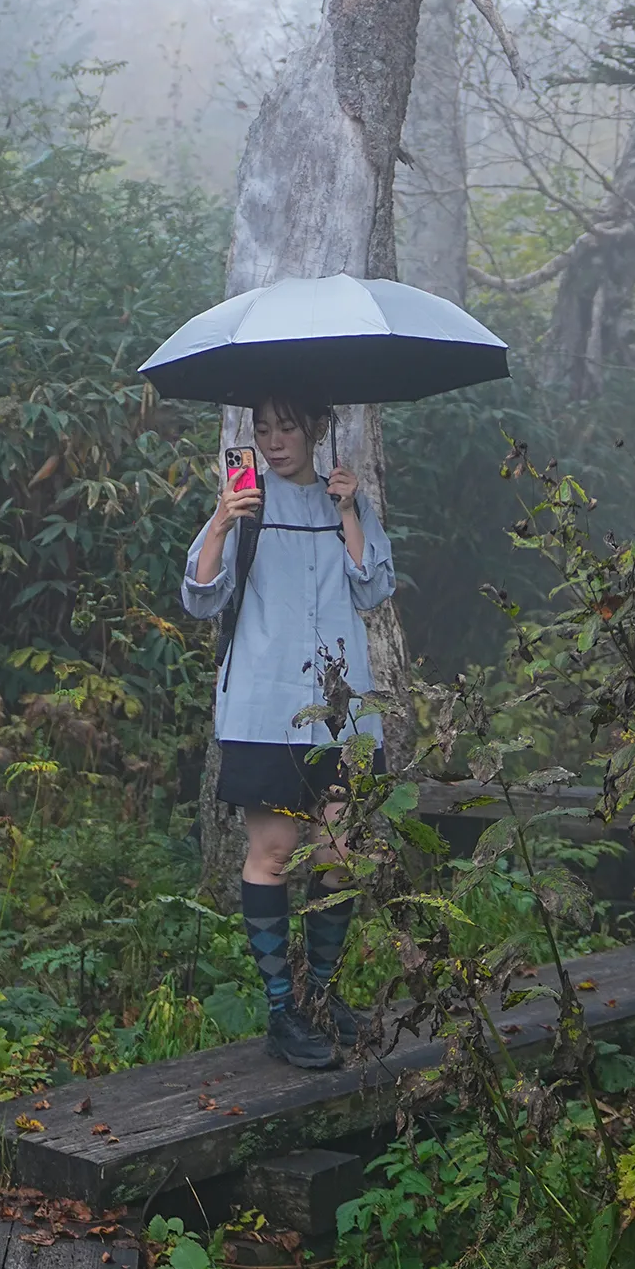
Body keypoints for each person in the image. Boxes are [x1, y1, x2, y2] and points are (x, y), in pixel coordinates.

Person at [180, 396, 396, 1070]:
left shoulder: (345, 505)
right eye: (263, 430)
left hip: (345, 712)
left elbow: (373, 590)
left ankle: (321, 996)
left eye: (287, 428)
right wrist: (221, 521)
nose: (273, 443)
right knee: (273, 853)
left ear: (316, 430)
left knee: (340, 847)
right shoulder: (246, 507)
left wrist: (350, 511)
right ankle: (282, 1009)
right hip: (265, 705)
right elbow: (199, 596)